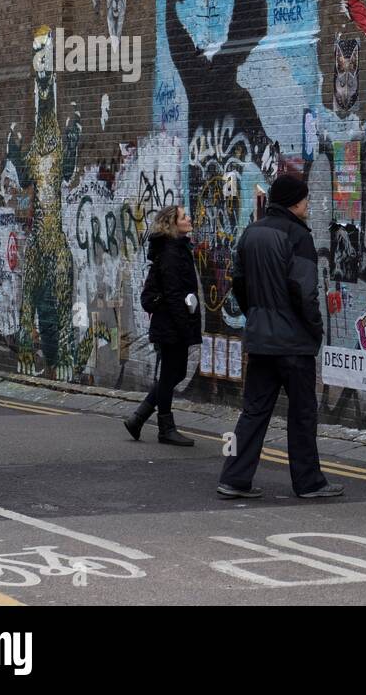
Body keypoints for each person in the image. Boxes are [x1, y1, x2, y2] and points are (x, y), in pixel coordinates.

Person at [217, 174, 343, 500]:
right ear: (295, 202)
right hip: (293, 342)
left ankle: (233, 478)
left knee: (254, 411)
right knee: (302, 414)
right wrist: (314, 328)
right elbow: (303, 291)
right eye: (305, 199)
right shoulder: (298, 236)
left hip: (260, 338)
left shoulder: (251, 232)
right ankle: (309, 482)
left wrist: (255, 314)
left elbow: (239, 283)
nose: (308, 204)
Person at [124, 205, 201, 446]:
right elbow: (174, 294)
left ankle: (139, 417)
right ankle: (165, 428)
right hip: (171, 325)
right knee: (170, 374)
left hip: (172, 323)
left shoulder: (177, 248)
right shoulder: (171, 253)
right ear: (173, 224)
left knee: (174, 373)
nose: (189, 219)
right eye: (184, 217)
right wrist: (184, 329)